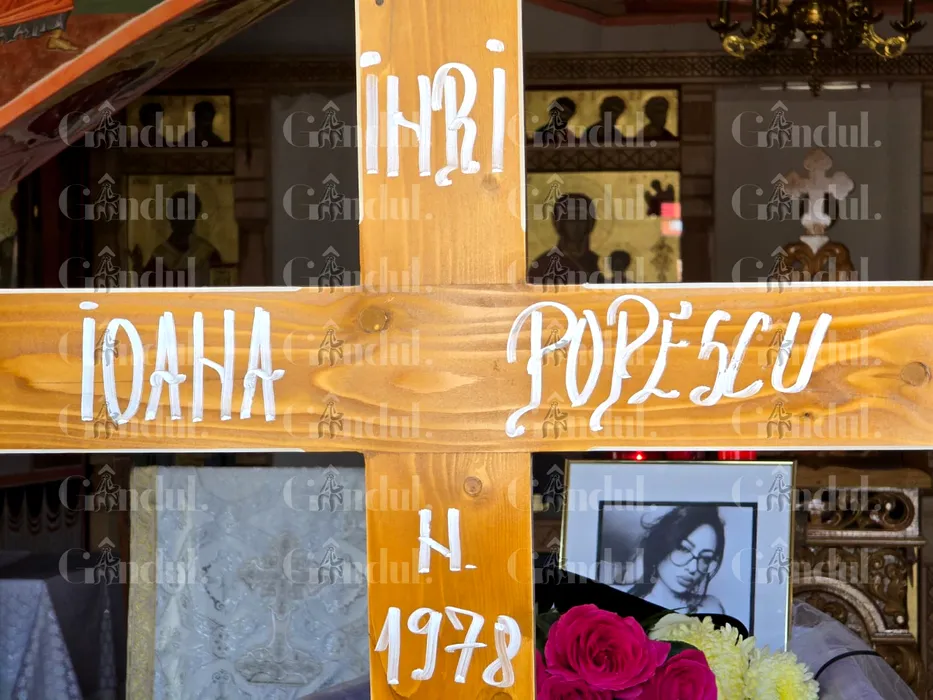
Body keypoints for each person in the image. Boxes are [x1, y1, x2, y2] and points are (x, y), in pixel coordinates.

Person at [627, 506, 726, 615]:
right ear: (660, 545)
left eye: (706, 559)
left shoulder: (710, 609)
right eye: (684, 549)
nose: (693, 568)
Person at [133, 191, 222, 286]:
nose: (184, 219)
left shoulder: (206, 253)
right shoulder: (160, 255)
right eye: (179, 214)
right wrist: (138, 267)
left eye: (188, 214)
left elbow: (220, 285)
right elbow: (147, 287)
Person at [527, 193, 604, 285]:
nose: (576, 225)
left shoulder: (599, 264)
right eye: (570, 219)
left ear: (589, 223)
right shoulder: (543, 265)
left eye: (581, 219)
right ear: (560, 223)